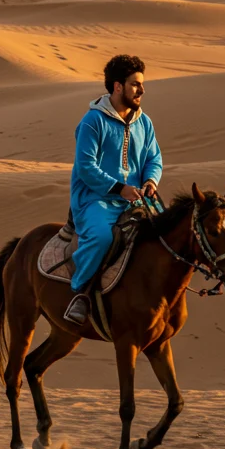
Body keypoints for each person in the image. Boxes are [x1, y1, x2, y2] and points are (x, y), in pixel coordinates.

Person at [64, 54, 163, 325]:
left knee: (169, 233)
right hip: (96, 199)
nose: (141, 90)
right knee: (102, 238)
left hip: (137, 198)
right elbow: (85, 167)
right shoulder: (92, 121)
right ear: (118, 86)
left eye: (141, 84)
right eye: (135, 84)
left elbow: (154, 159)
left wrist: (150, 182)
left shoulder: (145, 122)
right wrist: (119, 189)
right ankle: (81, 293)